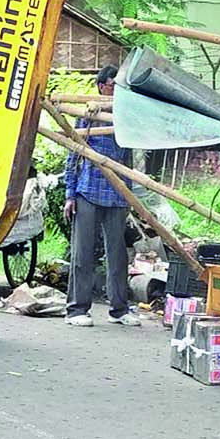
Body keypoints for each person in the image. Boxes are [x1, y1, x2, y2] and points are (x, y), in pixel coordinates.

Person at [61, 65, 138, 327]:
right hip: (88, 191)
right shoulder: (88, 114)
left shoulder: (125, 116)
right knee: (82, 253)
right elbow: (74, 156)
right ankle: (76, 309)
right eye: (112, 84)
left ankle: (119, 309)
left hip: (117, 194)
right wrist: (70, 194)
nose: (115, 89)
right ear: (102, 85)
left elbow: (128, 159)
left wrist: (130, 195)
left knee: (118, 254)